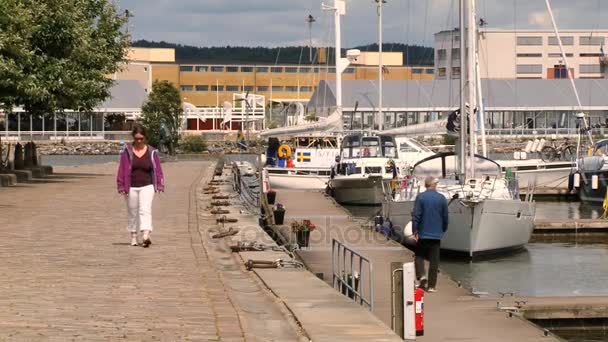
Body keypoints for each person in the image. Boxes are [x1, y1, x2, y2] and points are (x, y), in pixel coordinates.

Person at [117, 125, 165, 248]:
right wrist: (121, 186)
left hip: (147, 185)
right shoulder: (127, 152)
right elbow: (121, 169)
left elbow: (158, 169)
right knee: (132, 211)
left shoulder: (151, 152)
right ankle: (133, 235)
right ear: (133, 137)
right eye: (137, 138)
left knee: (145, 209)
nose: (139, 140)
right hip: (131, 186)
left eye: (141, 138)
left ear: (145, 138)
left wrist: (159, 184)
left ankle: (145, 234)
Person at [411, 176, 448, 292]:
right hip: (436, 234)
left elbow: (416, 215)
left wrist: (414, 231)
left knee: (419, 256)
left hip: (423, 233)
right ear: (434, 185)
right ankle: (431, 286)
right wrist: (443, 229)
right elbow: (445, 217)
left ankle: (421, 276)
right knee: (434, 261)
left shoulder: (420, 197)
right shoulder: (442, 198)